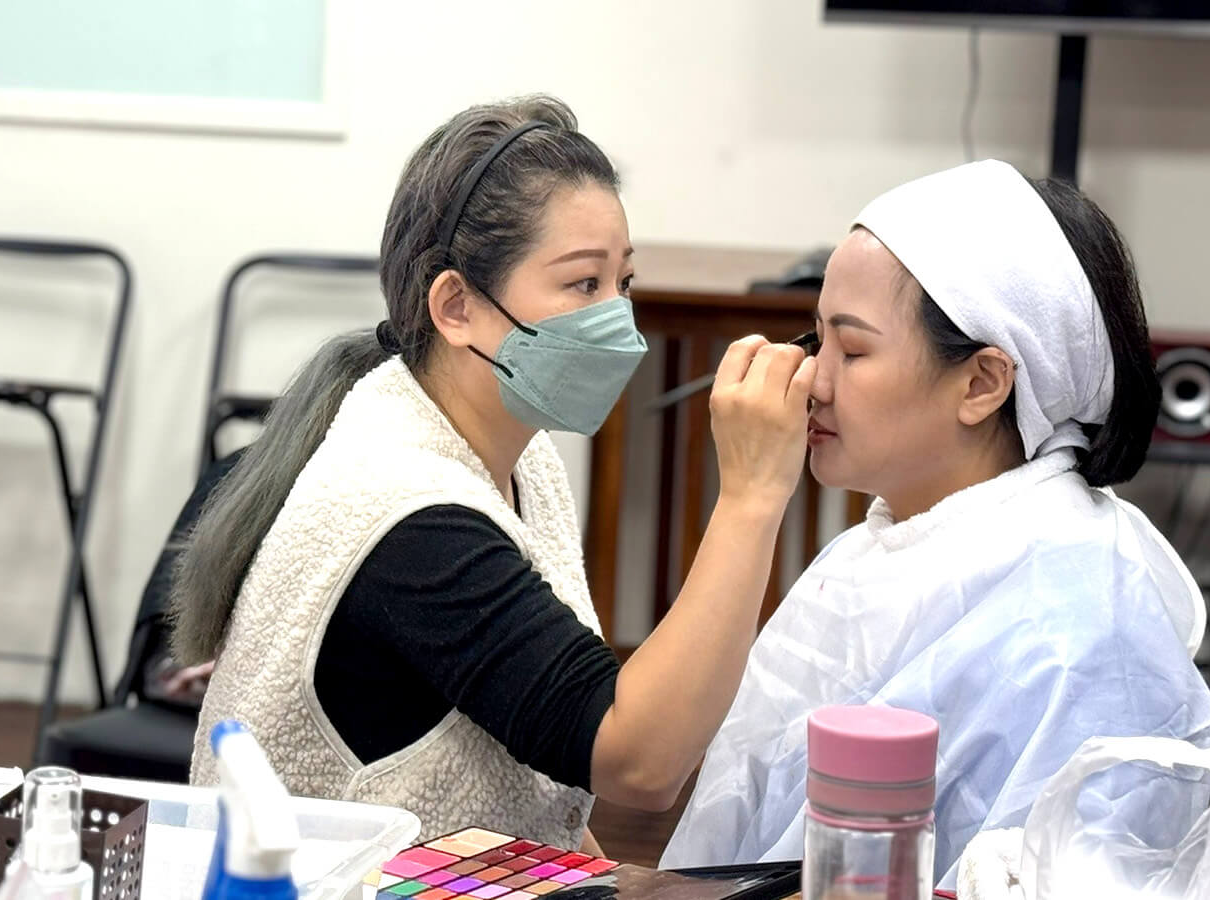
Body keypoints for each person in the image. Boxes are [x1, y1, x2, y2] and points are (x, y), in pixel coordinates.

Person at [170, 95, 816, 850]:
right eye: (584, 284)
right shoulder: (409, 512)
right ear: (455, 306)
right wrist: (751, 495)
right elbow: (637, 761)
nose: (618, 318)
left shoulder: (520, 457)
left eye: (625, 282)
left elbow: (547, 778)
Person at [660, 160, 1210, 887]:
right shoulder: (873, 551)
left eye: (853, 350)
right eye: (817, 338)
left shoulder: (1088, 616)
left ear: (982, 382)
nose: (813, 380)